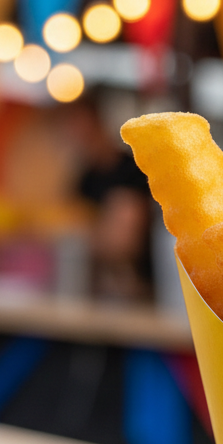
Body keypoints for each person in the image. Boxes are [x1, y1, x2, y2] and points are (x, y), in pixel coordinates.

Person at [64, 89, 153, 301]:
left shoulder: (132, 169)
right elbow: (72, 229)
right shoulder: (84, 177)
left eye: (81, 124)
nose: (77, 133)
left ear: (98, 122)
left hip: (139, 287)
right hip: (95, 288)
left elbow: (125, 238)